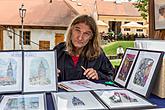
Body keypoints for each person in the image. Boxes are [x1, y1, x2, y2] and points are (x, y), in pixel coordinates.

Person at [54, 15, 114, 81]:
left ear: (91, 37)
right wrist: (49, 74)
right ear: (71, 31)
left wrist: (98, 75)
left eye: (86, 34)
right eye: (77, 30)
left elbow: (112, 76)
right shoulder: (59, 50)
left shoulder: (98, 54)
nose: (80, 38)